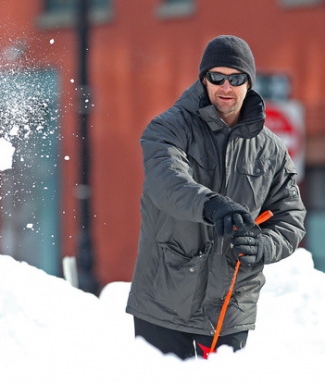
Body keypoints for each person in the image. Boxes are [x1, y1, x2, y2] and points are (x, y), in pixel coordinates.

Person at [126, 35, 306, 360]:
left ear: (249, 83)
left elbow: (290, 218)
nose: (226, 86)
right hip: (165, 302)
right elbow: (166, 182)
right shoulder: (167, 128)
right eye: (217, 77)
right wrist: (210, 204)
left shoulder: (271, 149)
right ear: (203, 80)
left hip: (231, 305)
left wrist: (264, 246)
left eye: (236, 78)